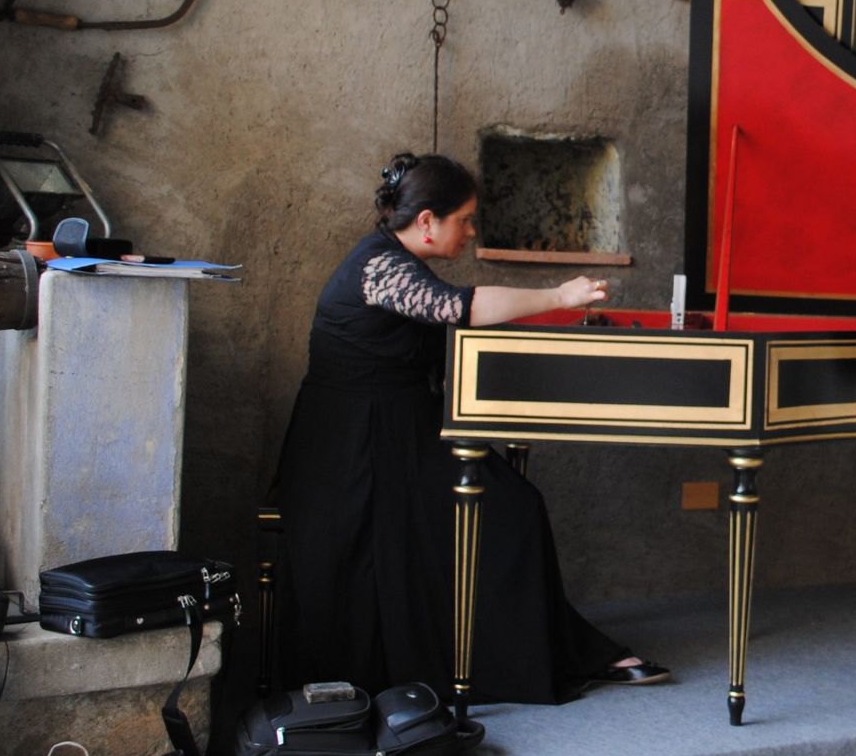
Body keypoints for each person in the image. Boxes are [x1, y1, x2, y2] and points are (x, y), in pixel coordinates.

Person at [269, 151, 668, 704]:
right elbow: (456, 307)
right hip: (352, 448)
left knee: (512, 511)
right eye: (464, 219)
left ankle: (546, 654)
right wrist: (558, 296)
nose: (471, 230)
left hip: (400, 431)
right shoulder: (379, 265)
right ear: (427, 221)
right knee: (507, 512)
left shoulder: (397, 260)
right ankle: (531, 659)